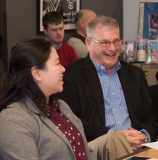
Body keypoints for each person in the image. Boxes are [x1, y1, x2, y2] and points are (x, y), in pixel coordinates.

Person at [57, 16, 158, 160]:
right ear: (89, 43)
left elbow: (149, 117)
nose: (112, 48)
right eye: (104, 42)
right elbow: (72, 123)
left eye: (116, 41)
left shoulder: (135, 74)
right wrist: (116, 136)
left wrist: (143, 136)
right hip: (97, 149)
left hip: (139, 147)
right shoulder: (71, 75)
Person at [0, 38, 97, 160]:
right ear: (37, 74)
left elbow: (86, 150)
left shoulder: (61, 106)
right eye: (57, 63)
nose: (63, 69)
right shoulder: (14, 119)